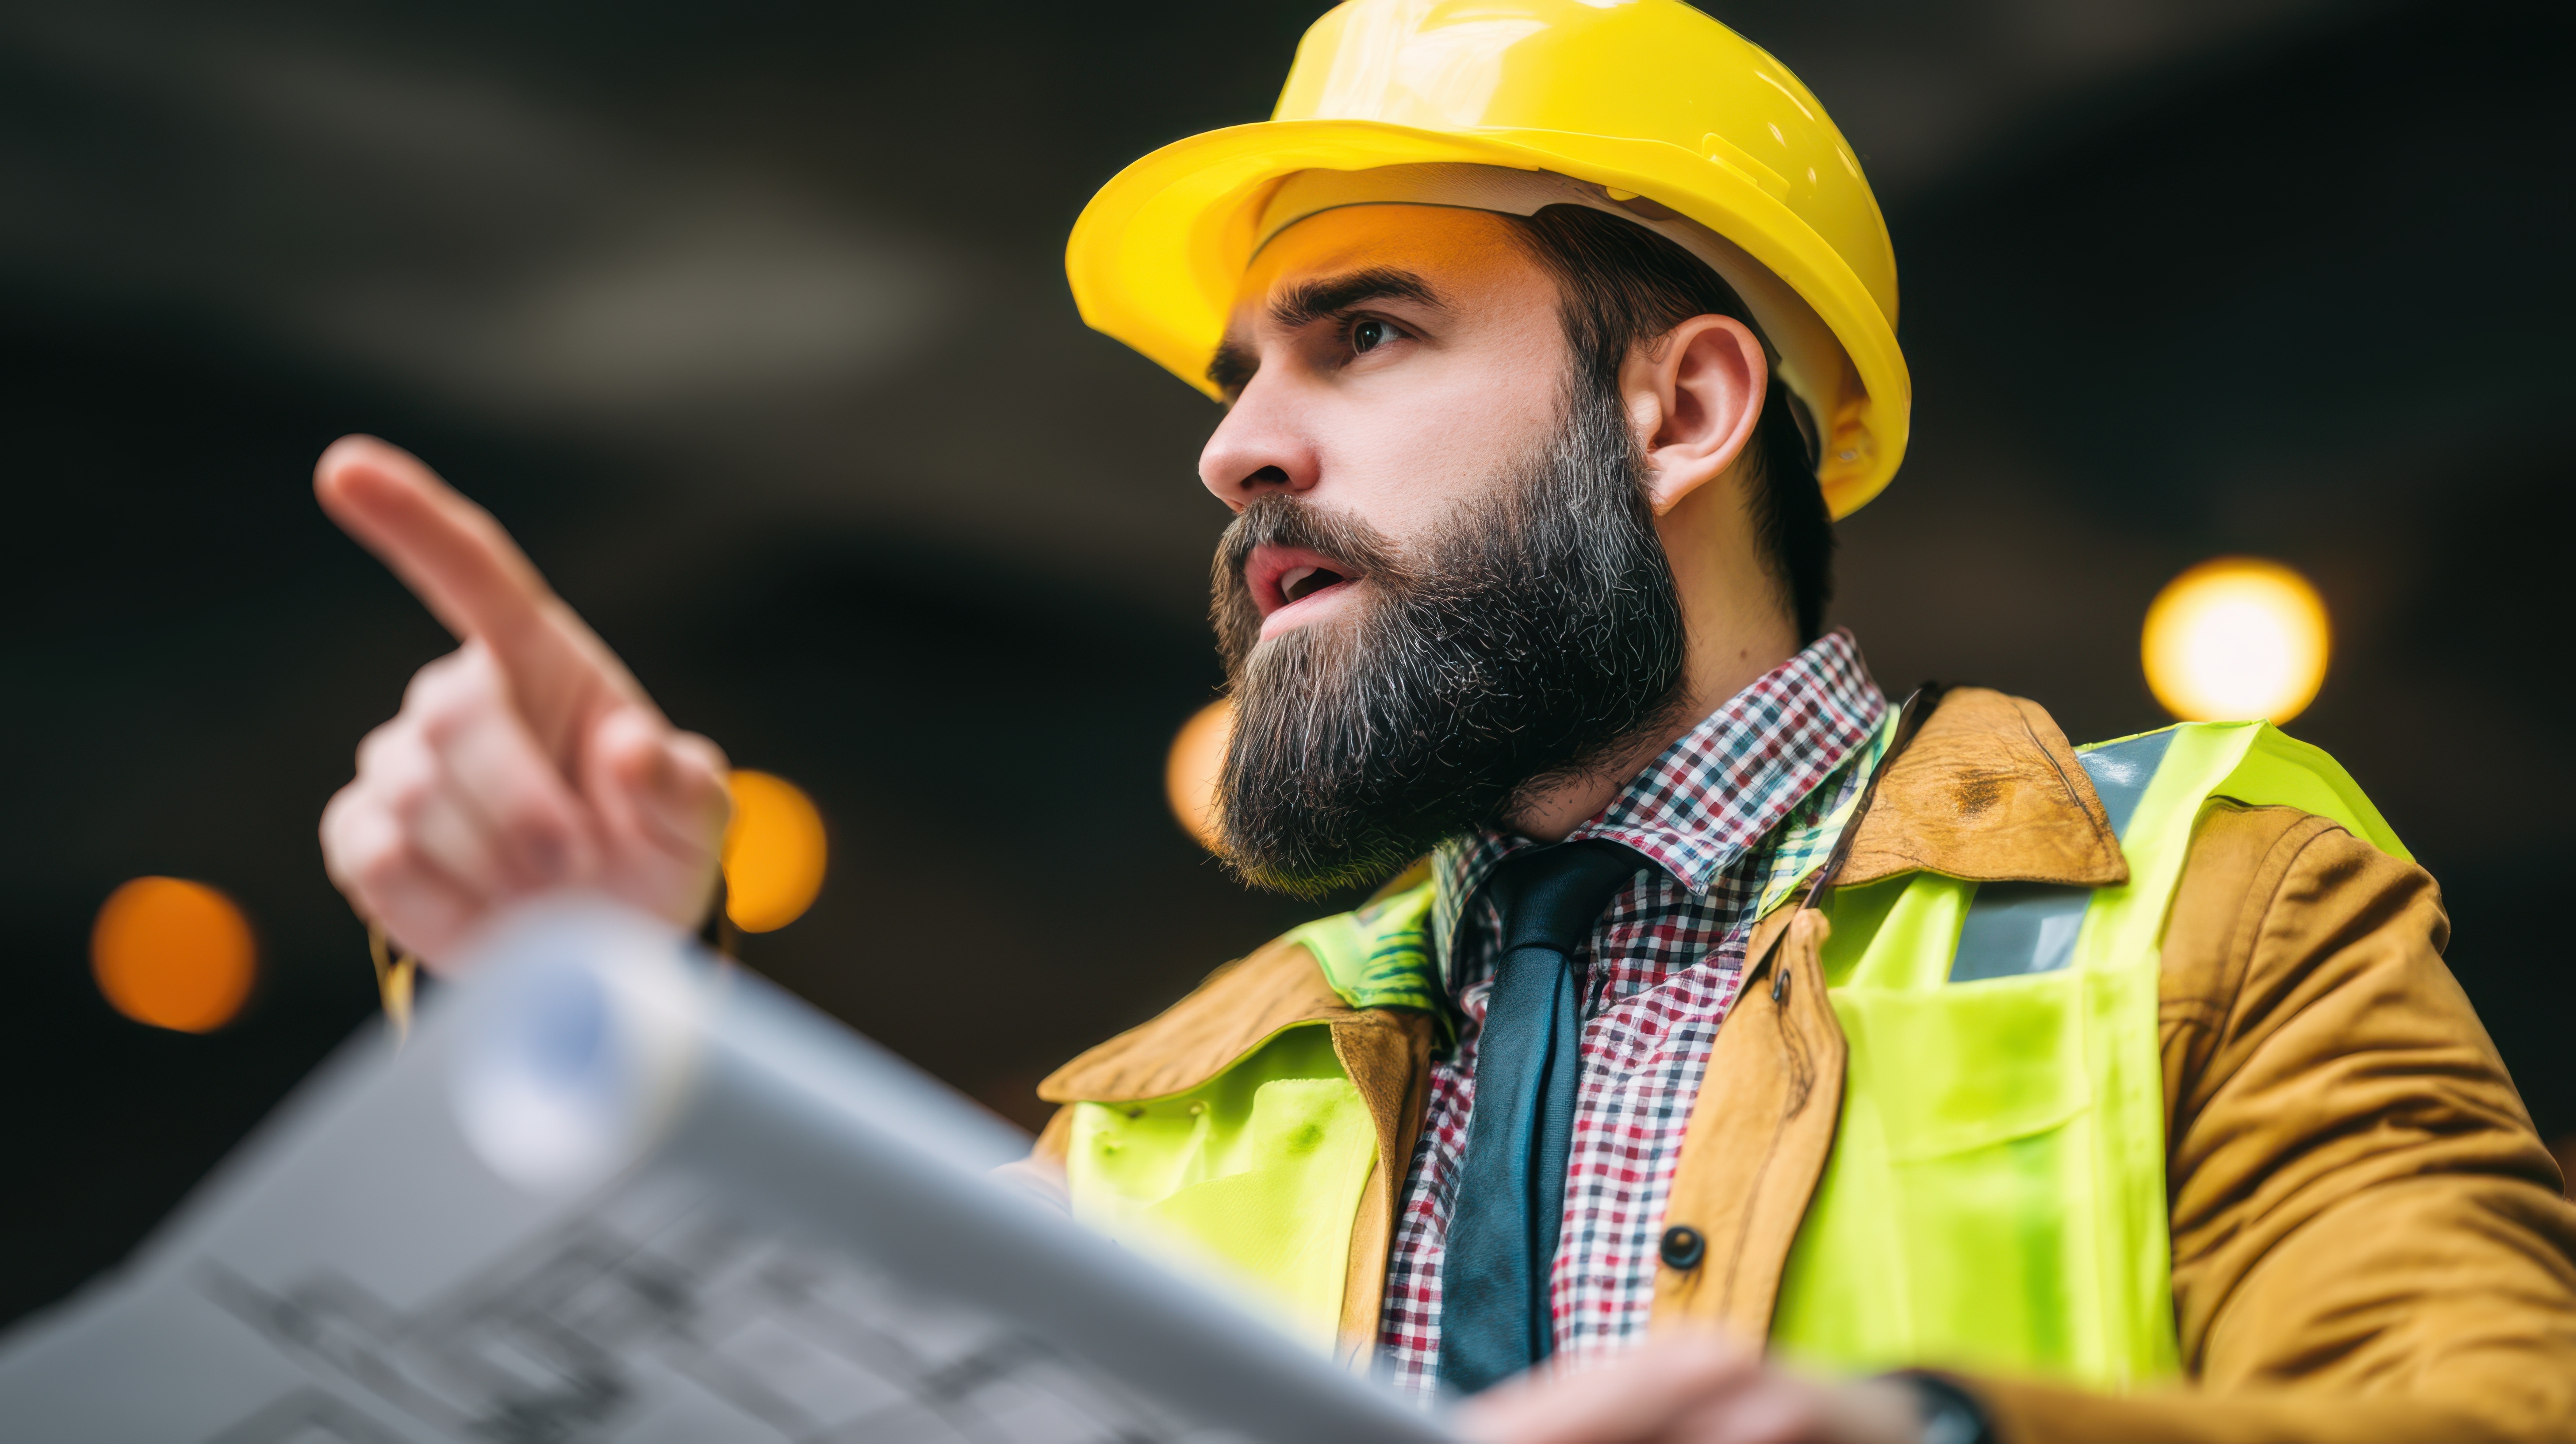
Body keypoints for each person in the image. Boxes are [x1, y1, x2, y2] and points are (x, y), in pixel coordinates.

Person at [313, 2, 2576, 1440]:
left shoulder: (2206, 911)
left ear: (1683, 404)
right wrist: (570, 1008)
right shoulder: (1163, 1129)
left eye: (1366, 334)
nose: (1235, 451)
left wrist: (1920, 1440)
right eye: (1235, 380)